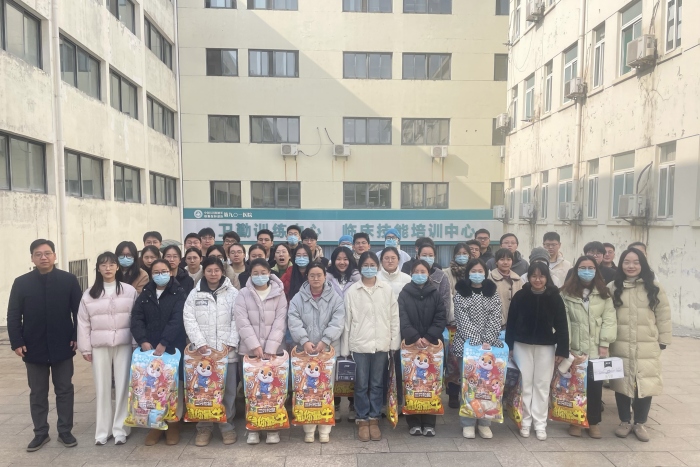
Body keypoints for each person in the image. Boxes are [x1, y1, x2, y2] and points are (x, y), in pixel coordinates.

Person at [7, 239, 81, 452]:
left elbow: (79, 312)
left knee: (64, 390)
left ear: (55, 256)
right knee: (38, 392)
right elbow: (13, 314)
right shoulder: (21, 283)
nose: (43, 257)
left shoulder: (68, 280)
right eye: (38, 254)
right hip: (33, 346)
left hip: (63, 344)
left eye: (47, 253)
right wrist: (17, 341)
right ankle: (40, 433)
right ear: (32, 258)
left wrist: (77, 335)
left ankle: (65, 431)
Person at [609, 248, 671, 443]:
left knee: (645, 382)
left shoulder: (654, 287)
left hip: (646, 343)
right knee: (621, 382)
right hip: (620, 343)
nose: (631, 266)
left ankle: (640, 422)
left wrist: (663, 339)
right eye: (627, 262)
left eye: (636, 262)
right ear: (621, 264)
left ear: (642, 264)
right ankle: (624, 421)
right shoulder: (613, 287)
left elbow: (663, 314)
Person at [77, 252, 138, 446]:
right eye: (103, 265)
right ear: (98, 268)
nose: (108, 268)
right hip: (99, 345)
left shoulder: (129, 291)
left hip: (124, 343)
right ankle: (103, 431)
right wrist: (85, 348)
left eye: (112, 264)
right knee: (102, 386)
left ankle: (121, 429)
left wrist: (135, 343)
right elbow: (83, 322)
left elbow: (136, 318)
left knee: (123, 385)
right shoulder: (89, 294)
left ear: (117, 267)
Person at [505, 263, 568, 441]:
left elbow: (562, 325)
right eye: (534, 276)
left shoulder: (554, 297)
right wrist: (509, 346)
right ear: (529, 277)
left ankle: (540, 424)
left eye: (541, 276)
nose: (537, 280)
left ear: (547, 277)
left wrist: (562, 349)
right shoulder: (520, 296)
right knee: (525, 383)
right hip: (522, 345)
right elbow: (511, 322)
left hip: (546, 346)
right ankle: (525, 421)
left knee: (542, 385)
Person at [342, 251, 400, 442]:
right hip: (359, 345)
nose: (369, 268)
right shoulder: (353, 291)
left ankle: (374, 418)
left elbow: (394, 318)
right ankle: (362, 419)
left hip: (381, 344)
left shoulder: (386, 289)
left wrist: (393, 343)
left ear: (378, 267)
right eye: (365, 265)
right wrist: (345, 349)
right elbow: (347, 322)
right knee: (361, 385)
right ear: (360, 268)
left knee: (376, 384)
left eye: (372, 265)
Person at [183, 257, 240, 447]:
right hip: (203, 354)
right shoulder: (195, 294)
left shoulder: (233, 293)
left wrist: (231, 343)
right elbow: (189, 319)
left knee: (228, 391)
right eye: (209, 270)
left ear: (222, 271)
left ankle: (227, 426)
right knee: (203, 391)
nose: (213, 274)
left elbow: (238, 318)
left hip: (226, 353)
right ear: (204, 272)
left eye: (217, 270)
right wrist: (199, 343)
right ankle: (204, 427)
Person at [130, 258, 187, 446]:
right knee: (153, 387)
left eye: (164, 271)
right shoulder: (146, 293)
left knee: (173, 386)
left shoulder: (179, 292)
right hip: (150, 349)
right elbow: (136, 317)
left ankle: (173, 424)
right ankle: (156, 425)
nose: (160, 275)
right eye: (156, 272)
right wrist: (143, 340)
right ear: (151, 274)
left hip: (172, 348)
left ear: (170, 272)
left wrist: (164, 342)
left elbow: (177, 319)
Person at [560, 256, 617, 439]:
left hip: (595, 349)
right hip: (575, 349)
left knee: (594, 387)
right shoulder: (566, 293)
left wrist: (604, 343)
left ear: (596, 271)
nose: (587, 271)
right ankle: (575, 421)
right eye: (583, 267)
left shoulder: (603, 293)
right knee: (575, 388)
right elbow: (564, 321)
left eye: (590, 268)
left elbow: (609, 319)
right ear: (576, 270)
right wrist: (567, 346)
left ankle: (593, 422)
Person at [288, 263, 345, 443]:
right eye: (312, 275)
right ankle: (309, 428)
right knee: (306, 390)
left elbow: (338, 321)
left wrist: (325, 340)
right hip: (305, 352)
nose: (316, 278)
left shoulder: (335, 297)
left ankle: (325, 428)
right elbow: (293, 319)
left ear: (325, 276)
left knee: (325, 389)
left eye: (319, 275)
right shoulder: (298, 298)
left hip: (326, 352)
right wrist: (304, 340)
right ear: (307, 277)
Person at [234, 258, 288, 445]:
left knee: (273, 391)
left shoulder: (279, 293)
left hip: (274, 352)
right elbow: (241, 321)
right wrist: (255, 346)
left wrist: (270, 348)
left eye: (263, 273)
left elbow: (281, 321)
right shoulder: (243, 294)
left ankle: (272, 427)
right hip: (250, 352)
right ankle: (253, 427)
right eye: (255, 273)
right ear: (250, 274)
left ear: (269, 273)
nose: (260, 276)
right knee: (252, 391)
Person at [452, 259, 503, 439]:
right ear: (468, 273)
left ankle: (484, 422)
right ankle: (467, 422)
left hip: (489, 347)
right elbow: (462, 319)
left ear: (485, 273)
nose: (477, 274)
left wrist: (487, 340)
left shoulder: (492, 292)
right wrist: (475, 341)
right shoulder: (460, 293)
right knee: (469, 385)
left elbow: (496, 317)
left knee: (486, 386)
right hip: (467, 347)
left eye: (480, 271)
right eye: (473, 270)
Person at [398, 260, 447, 437]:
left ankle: (429, 422)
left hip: (431, 346)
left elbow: (441, 317)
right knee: (412, 382)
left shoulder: (435, 294)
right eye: (416, 271)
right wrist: (414, 337)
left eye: (423, 271)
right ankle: (413, 422)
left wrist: (428, 337)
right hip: (411, 346)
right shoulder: (404, 294)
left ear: (428, 274)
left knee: (430, 382)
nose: (420, 274)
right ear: (411, 274)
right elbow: (401, 317)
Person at [327, 246, 360, 421]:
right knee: (333, 367)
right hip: (332, 329)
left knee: (352, 367)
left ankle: (353, 404)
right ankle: (336, 404)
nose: (342, 262)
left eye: (345, 259)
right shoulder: (327, 279)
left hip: (352, 328)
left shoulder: (357, 280)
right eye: (338, 259)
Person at [377, 246, 411, 410]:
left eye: (393, 258)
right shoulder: (375, 278)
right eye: (386, 258)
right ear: (381, 261)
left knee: (399, 366)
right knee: (381, 368)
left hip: (403, 328)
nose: (390, 261)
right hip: (380, 328)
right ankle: (383, 404)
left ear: (399, 260)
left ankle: (399, 402)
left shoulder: (407, 279)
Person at [442, 242, 470, 407]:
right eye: (459, 253)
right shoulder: (446, 273)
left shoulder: (475, 271)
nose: (462, 256)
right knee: (452, 361)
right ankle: (453, 393)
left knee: (469, 359)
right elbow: (448, 297)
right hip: (453, 323)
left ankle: (469, 393)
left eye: (465, 253)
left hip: (472, 325)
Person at [489, 248, 522, 327]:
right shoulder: (489, 279)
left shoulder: (518, 279)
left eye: (509, 259)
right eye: (502, 259)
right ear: (496, 261)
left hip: (515, 324)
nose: (505, 262)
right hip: (494, 324)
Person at [415, 243, 451, 317]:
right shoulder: (413, 275)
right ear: (418, 256)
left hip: (436, 319)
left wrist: (440, 320)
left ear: (434, 257)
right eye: (424, 255)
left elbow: (445, 302)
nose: (427, 258)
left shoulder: (442, 276)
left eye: (430, 255)